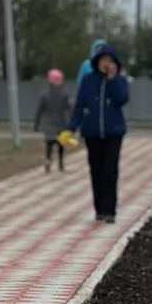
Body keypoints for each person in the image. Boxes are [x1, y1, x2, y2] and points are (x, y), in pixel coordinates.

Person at [67, 41, 129, 223]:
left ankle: (110, 210)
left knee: (110, 171)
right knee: (96, 171)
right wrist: (71, 128)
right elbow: (79, 106)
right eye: (103, 60)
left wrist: (112, 80)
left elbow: (121, 99)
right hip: (92, 132)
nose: (106, 64)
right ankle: (99, 209)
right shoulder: (89, 80)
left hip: (113, 132)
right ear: (96, 61)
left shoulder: (120, 81)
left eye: (110, 60)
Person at [34, 68, 72, 173]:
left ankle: (54, 162)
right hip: (57, 122)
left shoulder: (46, 94)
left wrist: (36, 125)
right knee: (55, 144)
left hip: (54, 123)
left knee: (53, 144)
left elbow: (39, 110)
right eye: (58, 80)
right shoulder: (63, 94)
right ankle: (55, 163)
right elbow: (69, 108)